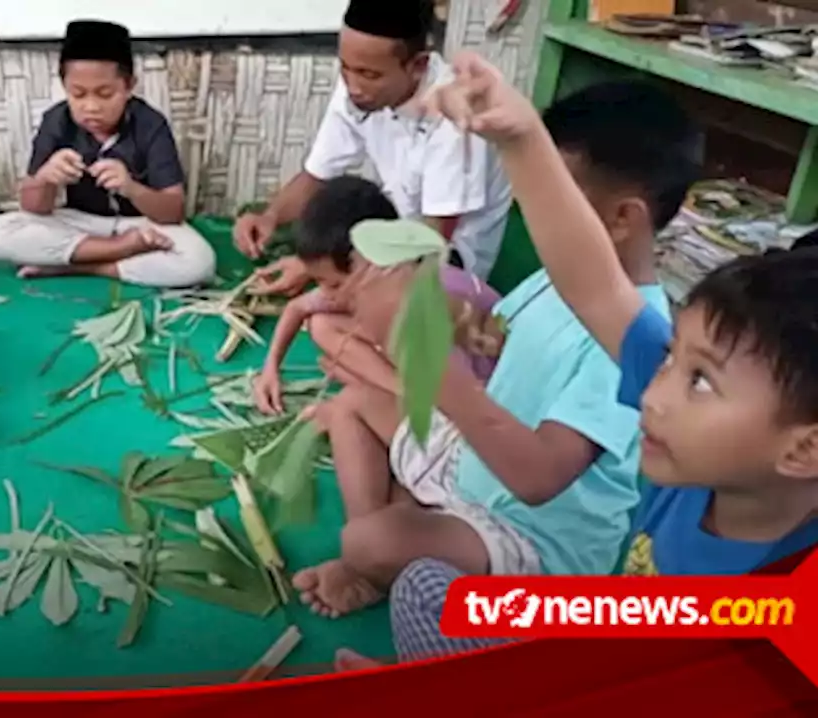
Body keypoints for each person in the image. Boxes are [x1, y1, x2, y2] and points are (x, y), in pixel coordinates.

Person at [344, 53, 818, 668]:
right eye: (672, 359)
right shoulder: (696, 461)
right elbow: (591, 283)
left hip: (624, 660)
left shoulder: (780, 601)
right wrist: (519, 136)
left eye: (699, 381)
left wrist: (436, 373)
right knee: (424, 594)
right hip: (613, 617)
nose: (650, 393)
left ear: (803, 449)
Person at [292, 78, 692, 620]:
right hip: (474, 463)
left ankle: (381, 553)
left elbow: (537, 480)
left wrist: (435, 372)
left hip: (534, 535)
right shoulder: (555, 279)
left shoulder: (635, 341)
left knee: (370, 542)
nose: (531, 210)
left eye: (553, 195)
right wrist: (461, 324)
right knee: (353, 406)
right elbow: (497, 337)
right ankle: (385, 549)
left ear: (622, 219)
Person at [235, 0, 511, 297]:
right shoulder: (357, 89)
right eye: (345, 67)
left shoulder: (453, 118)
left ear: (418, 66)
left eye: (369, 75)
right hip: (395, 225)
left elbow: (431, 239)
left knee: (355, 312)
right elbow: (318, 174)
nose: (353, 86)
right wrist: (270, 217)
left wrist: (317, 268)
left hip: (446, 256)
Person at [0, 20, 216, 288]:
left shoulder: (151, 124)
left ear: (129, 86)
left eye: (105, 94)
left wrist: (131, 188)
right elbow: (34, 208)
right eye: (78, 94)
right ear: (64, 86)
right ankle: (118, 251)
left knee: (200, 261)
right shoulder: (56, 121)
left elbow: (173, 211)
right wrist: (46, 178)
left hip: (140, 226)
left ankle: (85, 267)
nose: (91, 107)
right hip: (79, 225)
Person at [253, 175, 501, 415]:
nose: (330, 295)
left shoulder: (432, 301)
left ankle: (402, 396)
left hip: (479, 392)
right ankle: (401, 391)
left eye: (336, 285)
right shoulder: (381, 281)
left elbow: (477, 399)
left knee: (348, 409)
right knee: (321, 324)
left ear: (371, 266)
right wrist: (270, 370)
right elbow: (297, 308)